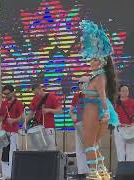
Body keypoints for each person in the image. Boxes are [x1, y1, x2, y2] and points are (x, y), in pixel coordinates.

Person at [79, 20, 119, 179]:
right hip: (94, 110)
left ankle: (94, 174)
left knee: (89, 144)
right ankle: (102, 171)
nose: (91, 62)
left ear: (102, 61)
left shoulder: (100, 77)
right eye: (91, 59)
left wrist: (106, 113)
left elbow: (102, 96)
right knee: (93, 144)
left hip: (94, 111)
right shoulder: (96, 76)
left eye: (95, 59)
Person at [0, 84, 24, 179]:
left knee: (12, 154)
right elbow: (1, 117)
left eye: (7, 94)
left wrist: (14, 120)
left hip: (13, 132)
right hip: (4, 132)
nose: (6, 96)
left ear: (13, 92)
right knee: (5, 154)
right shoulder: (3, 104)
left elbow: (22, 118)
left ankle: (13, 174)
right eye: (4, 94)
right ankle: (6, 175)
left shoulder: (18, 103)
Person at [26, 84, 62, 150]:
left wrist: (49, 110)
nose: (37, 95)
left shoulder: (51, 97)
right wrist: (25, 122)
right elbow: (31, 112)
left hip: (49, 126)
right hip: (38, 127)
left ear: (41, 89)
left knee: (51, 147)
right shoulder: (35, 99)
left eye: (37, 93)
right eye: (35, 94)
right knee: (40, 148)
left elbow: (60, 111)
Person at [69, 76, 90, 178]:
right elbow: (71, 110)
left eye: (82, 83)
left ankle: (92, 171)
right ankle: (82, 172)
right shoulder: (77, 96)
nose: (80, 85)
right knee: (80, 149)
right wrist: (73, 117)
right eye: (79, 83)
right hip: (79, 124)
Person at [114, 85, 134, 161]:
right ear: (119, 92)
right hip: (119, 129)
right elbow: (113, 116)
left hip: (131, 129)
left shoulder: (132, 102)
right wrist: (119, 123)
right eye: (123, 90)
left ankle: (130, 171)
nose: (125, 92)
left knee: (131, 151)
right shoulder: (116, 103)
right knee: (120, 151)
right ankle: (122, 170)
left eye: (127, 90)